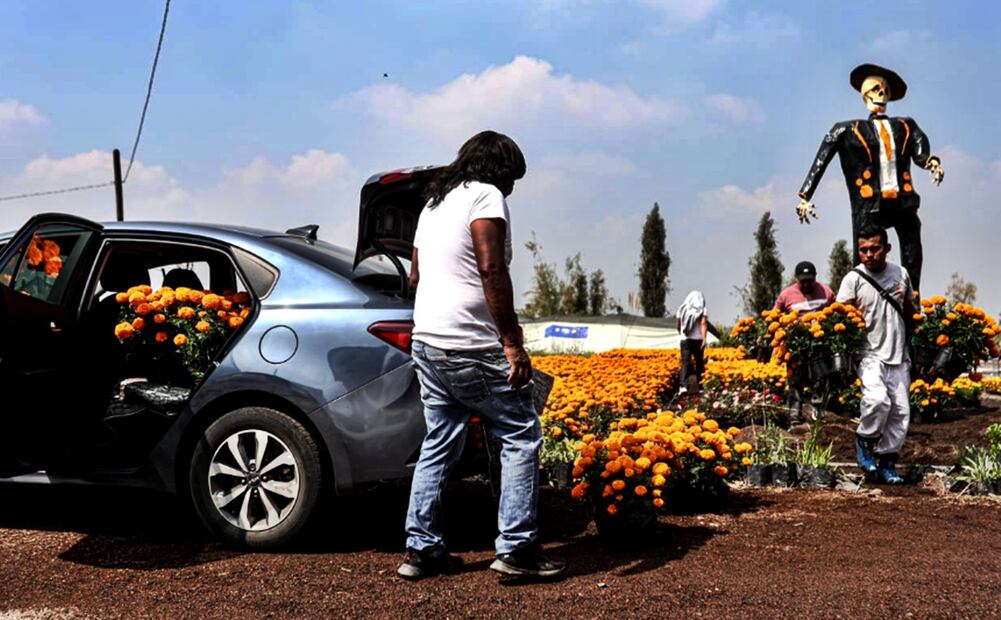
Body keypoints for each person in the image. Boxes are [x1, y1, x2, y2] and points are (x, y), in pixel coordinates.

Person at [398, 130, 566, 580]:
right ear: (498, 169)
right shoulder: (485, 196)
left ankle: (422, 550)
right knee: (520, 433)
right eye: (511, 177)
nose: (511, 188)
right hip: (470, 344)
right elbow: (491, 268)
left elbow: (415, 276)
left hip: (428, 341)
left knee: (440, 441)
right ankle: (517, 549)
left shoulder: (434, 204)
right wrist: (511, 342)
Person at [795, 63, 944, 294]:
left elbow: (919, 146)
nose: (882, 94)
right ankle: (862, 297)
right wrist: (805, 195)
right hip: (869, 203)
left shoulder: (905, 126)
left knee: (912, 247)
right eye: (876, 89)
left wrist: (929, 161)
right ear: (865, 94)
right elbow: (822, 158)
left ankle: (911, 297)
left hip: (903, 200)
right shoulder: (847, 129)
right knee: (865, 252)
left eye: (886, 90)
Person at [835, 225, 917, 484]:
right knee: (877, 400)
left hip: (898, 354)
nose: (869, 254)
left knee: (900, 413)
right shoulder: (853, 279)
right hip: (868, 353)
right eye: (863, 250)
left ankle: (887, 465)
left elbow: (909, 309)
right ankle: (864, 441)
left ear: (887, 248)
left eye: (875, 248)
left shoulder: (900, 274)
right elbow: (839, 317)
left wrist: (919, 337)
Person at [774, 261, 835, 427]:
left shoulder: (826, 291)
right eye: (803, 281)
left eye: (810, 280)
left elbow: (837, 310)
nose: (807, 284)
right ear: (796, 278)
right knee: (795, 380)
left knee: (821, 378)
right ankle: (795, 415)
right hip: (796, 345)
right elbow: (774, 316)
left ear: (815, 277)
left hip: (819, 343)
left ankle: (818, 412)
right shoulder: (786, 295)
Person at [675, 290, 708, 394]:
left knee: (685, 362)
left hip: (685, 340)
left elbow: (678, 324)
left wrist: (680, 332)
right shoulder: (702, 309)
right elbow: (703, 323)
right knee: (699, 363)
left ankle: (683, 386)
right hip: (698, 340)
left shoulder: (682, 308)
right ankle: (701, 386)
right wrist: (704, 338)